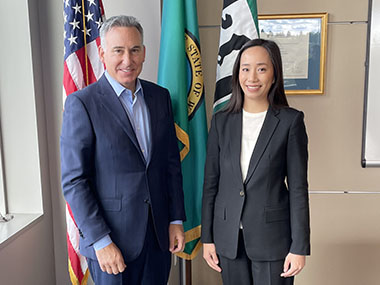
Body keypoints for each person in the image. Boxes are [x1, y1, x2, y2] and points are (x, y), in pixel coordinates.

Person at [60, 15, 186, 285]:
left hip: (157, 239)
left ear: (144, 53)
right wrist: (100, 240)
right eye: (118, 50)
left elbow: (170, 164)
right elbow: (74, 181)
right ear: (103, 54)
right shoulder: (82, 103)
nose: (127, 60)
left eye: (134, 50)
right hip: (111, 244)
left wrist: (175, 218)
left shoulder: (159, 97)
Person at [201, 39, 310, 285]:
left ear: (274, 75)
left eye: (261, 69)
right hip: (228, 239)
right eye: (245, 68)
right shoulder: (221, 122)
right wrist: (207, 237)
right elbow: (211, 185)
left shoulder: (290, 122)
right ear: (237, 73)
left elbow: (298, 190)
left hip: (273, 240)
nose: (252, 77)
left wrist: (299, 246)